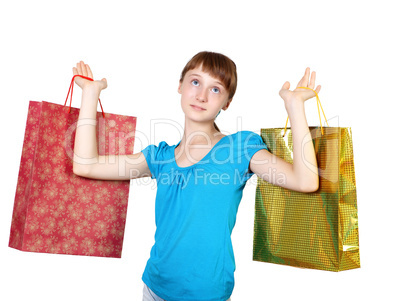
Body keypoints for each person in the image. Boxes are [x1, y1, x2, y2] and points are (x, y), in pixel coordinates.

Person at [72, 51, 320, 301]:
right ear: (180, 85)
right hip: (154, 288)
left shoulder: (240, 148)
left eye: (215, 89)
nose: (201, 95)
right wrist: (90, 94)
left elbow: (305, 181)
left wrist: (295, 106)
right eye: (195, 82)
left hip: (207, 294)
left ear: (226, 102)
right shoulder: (160, 157)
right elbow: (86, 165)